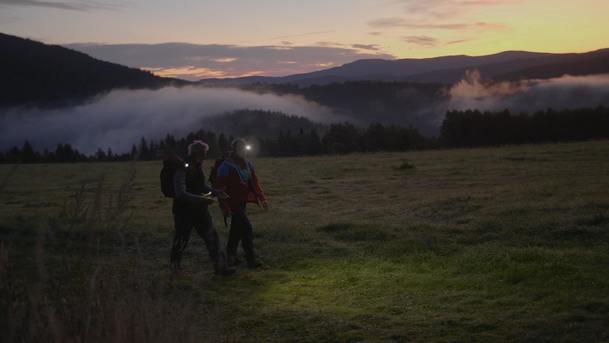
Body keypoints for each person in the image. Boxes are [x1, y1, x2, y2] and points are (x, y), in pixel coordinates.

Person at [171, 140, 234, 275]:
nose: (206, 156)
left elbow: (201, 187)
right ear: (196, 153)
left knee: (212, 238)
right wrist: (202, 199)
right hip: (184, 212)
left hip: (200, 210)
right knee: (181, 240)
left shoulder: (197, 166)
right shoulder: (182, 167)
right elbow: (180, 193)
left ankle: (221, 268)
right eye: (204, 153)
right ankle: (175, 269)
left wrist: (216, 192)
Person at [213, 138, 268, 269]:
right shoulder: (225, 166)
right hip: (232, 204)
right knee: (247, 229)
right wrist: (224, 207)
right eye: (240, 148)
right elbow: (219, 189)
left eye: (244, 148)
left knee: (236, 231)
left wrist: (262, 198)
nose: (243, 151)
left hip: (242, 202)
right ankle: (251, 260)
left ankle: (230, 257)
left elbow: (254, 183)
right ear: (234, 150)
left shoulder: (248, 164)